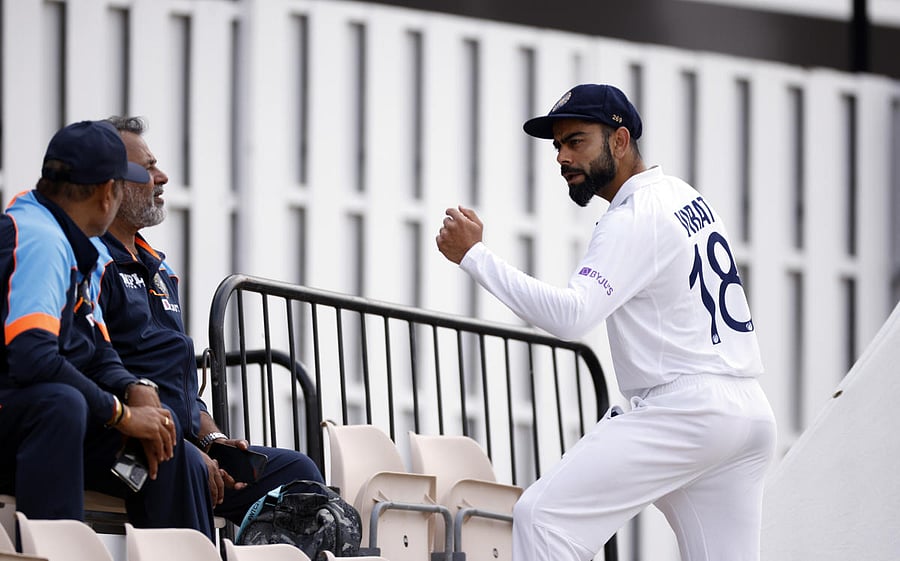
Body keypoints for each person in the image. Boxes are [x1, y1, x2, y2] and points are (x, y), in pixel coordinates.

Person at [436, 84, 777, 561]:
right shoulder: (682, 195)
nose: (561, 157)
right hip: (746, 413)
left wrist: (475, 257)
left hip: (688, 410)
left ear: (620, 141)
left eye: (576, 141)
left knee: (543, 517)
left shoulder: (634, 215)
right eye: (557, 146)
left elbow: (573, 317)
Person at [92, 115, 324, 532]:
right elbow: (93, 365)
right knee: (179, 463)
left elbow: (179, 382)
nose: (161, 177)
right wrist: (183, 446)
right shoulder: (91, 262)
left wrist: (213, 440)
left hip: (181, 443)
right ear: (112, 181)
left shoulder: (160, 270)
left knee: (297, 471)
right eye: (146, 168)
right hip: (123, 444)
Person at [0, 120, 178, 522]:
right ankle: (53, 545)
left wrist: (134, 389)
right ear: (106, 194)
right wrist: (123, 415)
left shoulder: (74, 243)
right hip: (26, 416)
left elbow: (94, 351)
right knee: (61, 403)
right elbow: (34, 359)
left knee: (165, 439)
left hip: (25, 420)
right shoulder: (39, 239)